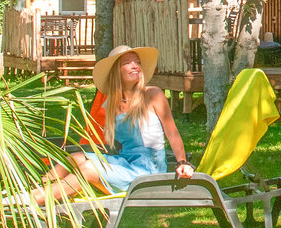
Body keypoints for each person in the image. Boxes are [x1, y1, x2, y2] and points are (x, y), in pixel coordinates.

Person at [30, 45, 193, 206]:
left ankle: (36, 199)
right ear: (117, 71)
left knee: (87, 169)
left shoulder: (152, 95)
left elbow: (172, 133)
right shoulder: (111, 105)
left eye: (137, 62)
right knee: (75, 158)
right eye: (128, 62)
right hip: (125, 162)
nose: (135, 66)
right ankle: (35, 187)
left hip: (148, 170)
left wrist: (182, 163)